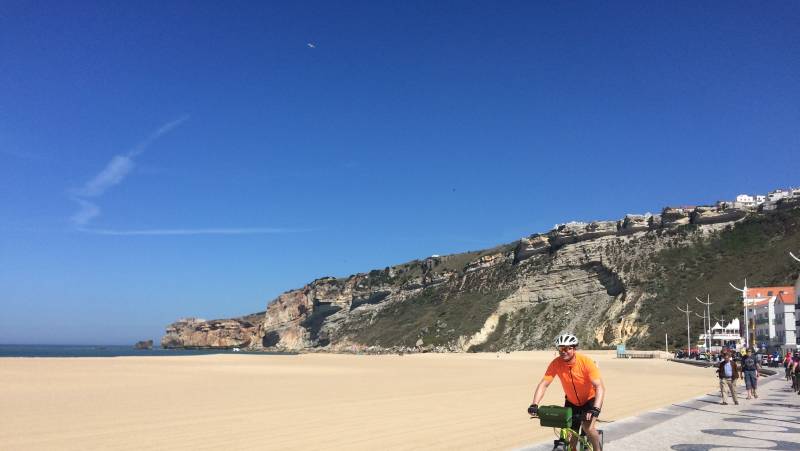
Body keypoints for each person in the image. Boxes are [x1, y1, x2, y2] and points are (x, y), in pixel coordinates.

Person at [527, 334, 605, 451]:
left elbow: (600, 387)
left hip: (590, 400)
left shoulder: (586, 362)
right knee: (570, 434)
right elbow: (544, 384)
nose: (563, 351)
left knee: (588, 427)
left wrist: (595, 409)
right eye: (561, 348)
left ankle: (597, 449)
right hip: (571, 402)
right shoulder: (556, 363)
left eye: (567, 348)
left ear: (574, 349)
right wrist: (534, 404)